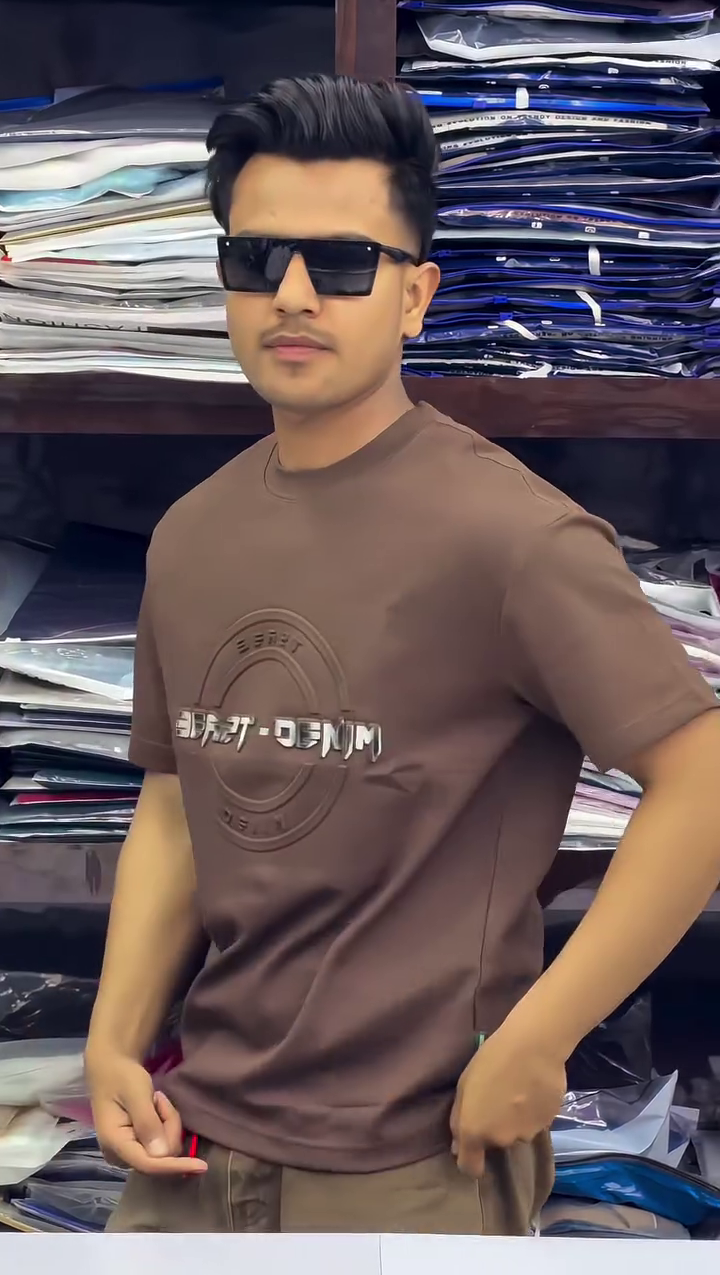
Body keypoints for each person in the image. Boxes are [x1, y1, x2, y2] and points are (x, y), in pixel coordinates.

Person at [87, 73, 720, 1235]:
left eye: (341, 262)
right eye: (255, 258)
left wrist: (540, 1036)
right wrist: (113, 1036)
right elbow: (176, 803)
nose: (291, 293)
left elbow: (703, 777)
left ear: (417, 294)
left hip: (416, 1157)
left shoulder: (512, 537)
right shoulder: (192, 534)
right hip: (194, 1135)